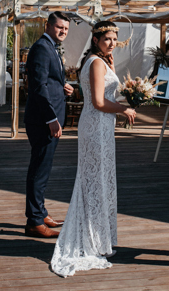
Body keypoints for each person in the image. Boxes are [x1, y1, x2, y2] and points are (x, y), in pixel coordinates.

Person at [51, 22, 137, 277]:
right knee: (95, 180)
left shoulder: (100, 61)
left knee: (100, 179)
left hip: (101, 126)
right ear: (96, 39)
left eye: (114, 39)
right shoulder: (96, 63)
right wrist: (124, 109)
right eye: (107, 38)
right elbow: (99, 102)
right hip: (96, 125)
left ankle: (101, 237)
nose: (112, 43)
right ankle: (93, 240)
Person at [23, 12, 74, 239]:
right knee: (39, 169)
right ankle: (34, 221)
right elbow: (37, 87)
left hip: (50, 117)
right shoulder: (42, 48)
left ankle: (41, 212)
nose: (63, 31)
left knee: (43, 168)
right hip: (43, 120)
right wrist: (51, 119)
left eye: (66, 28)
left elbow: (49, 81)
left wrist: (64, 86)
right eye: (59, 27)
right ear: (48, 25)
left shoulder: (51, 46)